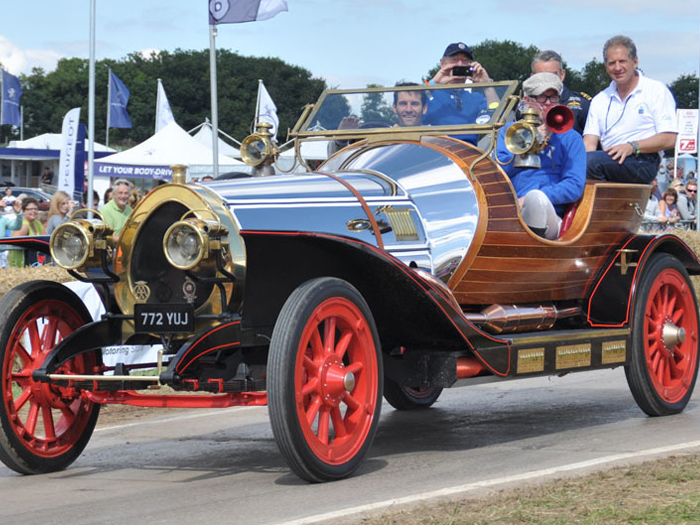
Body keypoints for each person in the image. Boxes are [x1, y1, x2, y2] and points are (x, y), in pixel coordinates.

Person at [496, 73, 586, 240]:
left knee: (535, 198)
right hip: (509, 209)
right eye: (542, 97)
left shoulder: (571, 138)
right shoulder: (510, 131)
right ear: (528, 101)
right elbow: (498, 174)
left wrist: (534, 197)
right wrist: (525, 142)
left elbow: (574, 185)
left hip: (550, 214)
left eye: (553, 97)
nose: (548, 103)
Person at [583, 35, 677, 183]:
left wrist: (632, 147)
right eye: (612, 63)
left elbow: (670, 139)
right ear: (606, 66)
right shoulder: (599, 100)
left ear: (635, 61)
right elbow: (589, 143)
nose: (617, 68)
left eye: (622, 61)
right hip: (608, 159)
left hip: (643, 159)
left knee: (591, 162)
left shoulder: (656, 90)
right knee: (573, 164)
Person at [423, 42, 494, 144]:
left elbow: (498, 117)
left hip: (467, 151)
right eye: (454, 60)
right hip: (434, 149)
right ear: (442, 64)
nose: (460, 65)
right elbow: (409, 107)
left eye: (465, 61)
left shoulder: (476, 98)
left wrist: (487, 85)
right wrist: (434, 83)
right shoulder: (430, 94)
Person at [531, 50, 591, 135]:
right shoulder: (525, 106)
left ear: (562, 74)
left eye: (552, 75)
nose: (547, 80)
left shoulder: (582, 105)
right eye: (541, 76)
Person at [10, 197, 43, 267]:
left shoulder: (37, 223)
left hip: (33, 262)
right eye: (30, 209)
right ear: (24, 211)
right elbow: (14, 242)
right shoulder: (23, 225)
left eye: (35, 209)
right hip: (20, 264)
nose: (33, 211)